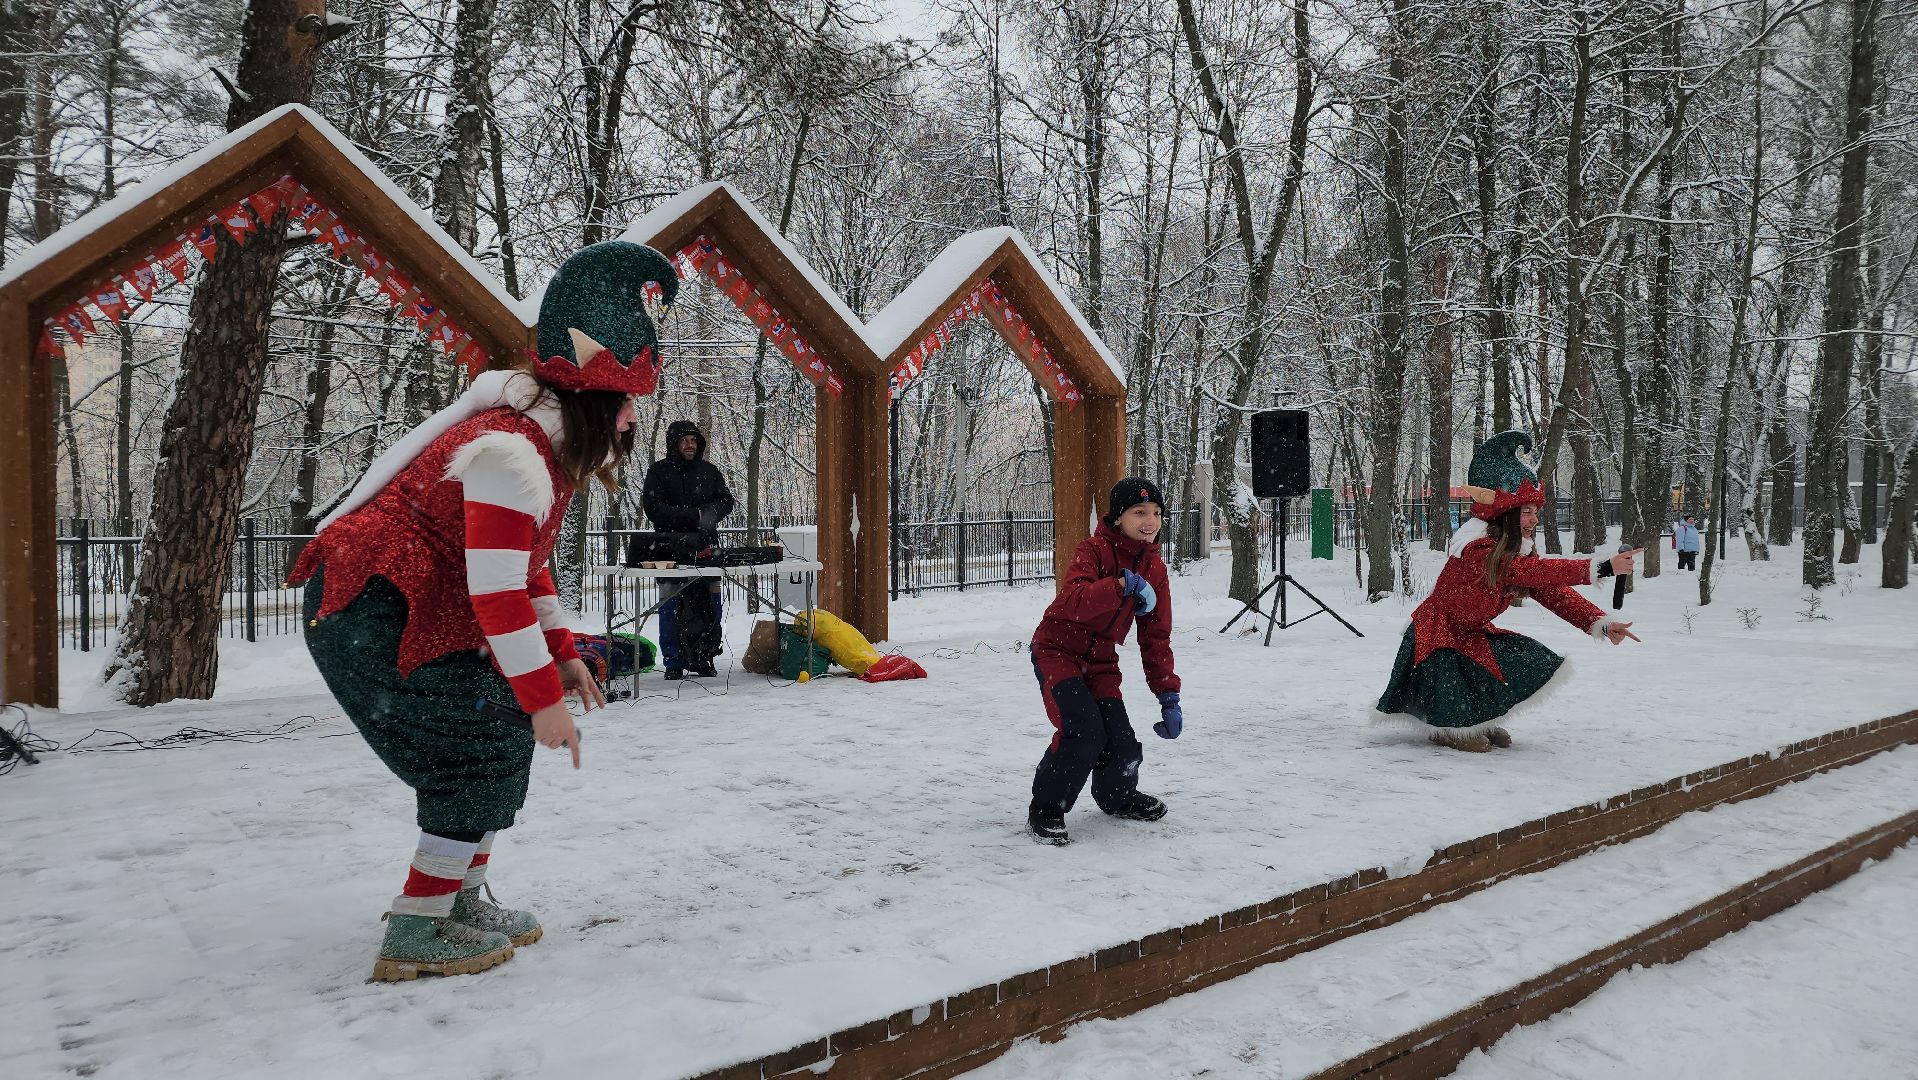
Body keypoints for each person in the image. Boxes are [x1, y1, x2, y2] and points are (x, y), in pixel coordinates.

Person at [288, 240, 678, 980]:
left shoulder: (539, 446)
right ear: (595, 400)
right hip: (374, 610)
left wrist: (562, 656)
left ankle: (458, 900)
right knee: (477, 742)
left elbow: (528, 572)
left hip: (407, 606)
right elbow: (496, 592)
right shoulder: (509, 454)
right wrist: (540, 701)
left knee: (492, 733)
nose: (633, 420)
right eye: (628, 402)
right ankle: (416, 927)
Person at [1375, 431, 1642, 753]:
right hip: (1438, 632)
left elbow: (1551, 591)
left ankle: (1475, 721)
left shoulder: (1516, 550)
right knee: (1452, 690)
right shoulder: (1478, 549)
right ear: (1506, 514)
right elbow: (1529, 572)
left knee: (1517, 662)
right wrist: (1601, 568)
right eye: (1525, 512)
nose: (1533, 519)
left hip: (1472, 630)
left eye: (1534, 512)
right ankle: (1448, 730)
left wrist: (1599, 622)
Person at [1027, 477, 1184, 845]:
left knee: (1121, 738)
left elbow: (1155, 637)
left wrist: (1168, 695)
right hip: (1058, 650)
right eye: (1140, 511)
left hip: (1100, 661)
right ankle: (1047, 808)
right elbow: (1072, 601)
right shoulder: (1093, 551)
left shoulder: (1156, 571)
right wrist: (1118, 586)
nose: (1151, 520)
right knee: (1083, 729)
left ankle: (1118, 796)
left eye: (1157, 512)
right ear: (1117, 518)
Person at [641, 418, 735, 679]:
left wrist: (709, 515)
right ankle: (674, 660)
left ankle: (705, 656)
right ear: (674, 443)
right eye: (684, 440)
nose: (690, 445)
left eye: (693, 440)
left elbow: (726, 501)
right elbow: (654, 509)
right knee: (670, 603)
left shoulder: (710, 471)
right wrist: (693, 516)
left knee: (709, 603)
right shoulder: (658, 472)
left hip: (706, 550)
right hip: (668, 550)